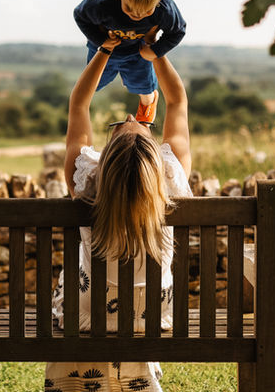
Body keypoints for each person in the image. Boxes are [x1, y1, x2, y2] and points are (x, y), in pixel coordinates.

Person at [45, 34, 193, 392]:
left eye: (121, 124)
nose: (130, 115)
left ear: (106, 163)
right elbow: (177, 101)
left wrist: (104, 50)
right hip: (153, 318)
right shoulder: (170, 180)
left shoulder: (88, 182)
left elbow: (79, 105)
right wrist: (155, 53)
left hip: (83, 318)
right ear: (155, 162)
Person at [73, 0, 186, 124]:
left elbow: (178, 31)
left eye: (147, 10)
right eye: (129, 8)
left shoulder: (165, 8)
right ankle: (81, 117)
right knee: (91, 86)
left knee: (143, 86)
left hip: (138, 52)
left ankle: (148, 103)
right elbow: (80, 16)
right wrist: (101, 41)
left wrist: (155, 51)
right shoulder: (102, 2)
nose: (137, 15)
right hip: (105, 50)